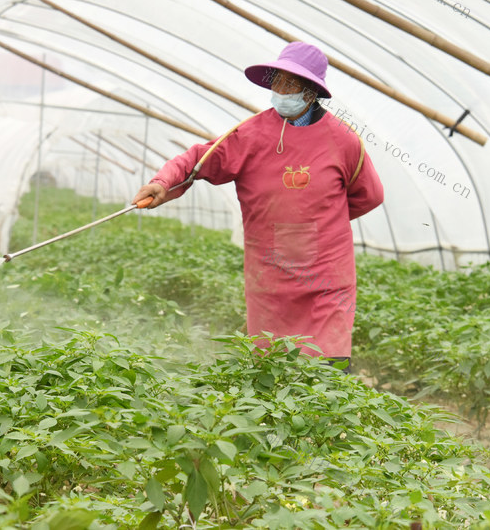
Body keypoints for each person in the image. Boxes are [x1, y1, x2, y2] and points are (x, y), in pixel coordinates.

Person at [132, 42, 384, 372]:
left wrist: (321, 221)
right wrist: (163, 182)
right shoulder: (250, 135)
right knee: (271, 366)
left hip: (326, 277)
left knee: (328, 368)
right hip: (270, 274)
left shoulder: (343, 140)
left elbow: (369, 195)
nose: (280, 90)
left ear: (311, 92)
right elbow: (197, 161)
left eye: (290, 84)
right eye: (277, 81)